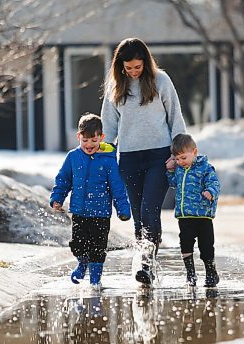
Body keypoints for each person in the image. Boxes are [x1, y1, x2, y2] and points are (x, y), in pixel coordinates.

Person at [101, 37, 186, 285]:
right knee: (139, 216)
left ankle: (146, 263)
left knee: (150, 210)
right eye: (128, 68)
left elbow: (175, 118)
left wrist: (177, 152)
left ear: (145, 63)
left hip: (159, 157)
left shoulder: (161, 81)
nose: (133, 72)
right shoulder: (116, 86)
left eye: (137, 67)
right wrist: (102, 157)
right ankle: (145, 265)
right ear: (121, 66)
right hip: (128, 158)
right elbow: (109, 127)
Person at [50, 113, 131, 288]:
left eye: (94, 141)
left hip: (101, 213)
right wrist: (57, 198)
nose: (89, 145)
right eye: (85, 140)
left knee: (98, 247)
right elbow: (63, 180)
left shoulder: (108, 160)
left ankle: (95, 279)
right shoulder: (73, 157)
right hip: (79, 211)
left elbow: (117, 186)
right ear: (78, 137)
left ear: (101, 138)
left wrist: (123, 208)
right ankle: (82, 262)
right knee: (77, 244)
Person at [166, 133, 220, 288]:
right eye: (177, 159)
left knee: (206, 245)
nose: (180, 162)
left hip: (203, 215)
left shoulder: (205, 168)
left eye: (183, 158)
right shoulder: (179, 169)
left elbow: (215, 183)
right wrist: (170, 171)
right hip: (185, 215)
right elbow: (173, 184)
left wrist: (210, 191)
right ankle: (190, 273)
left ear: (194, 152)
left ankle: (211, 272)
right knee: (185, 243)